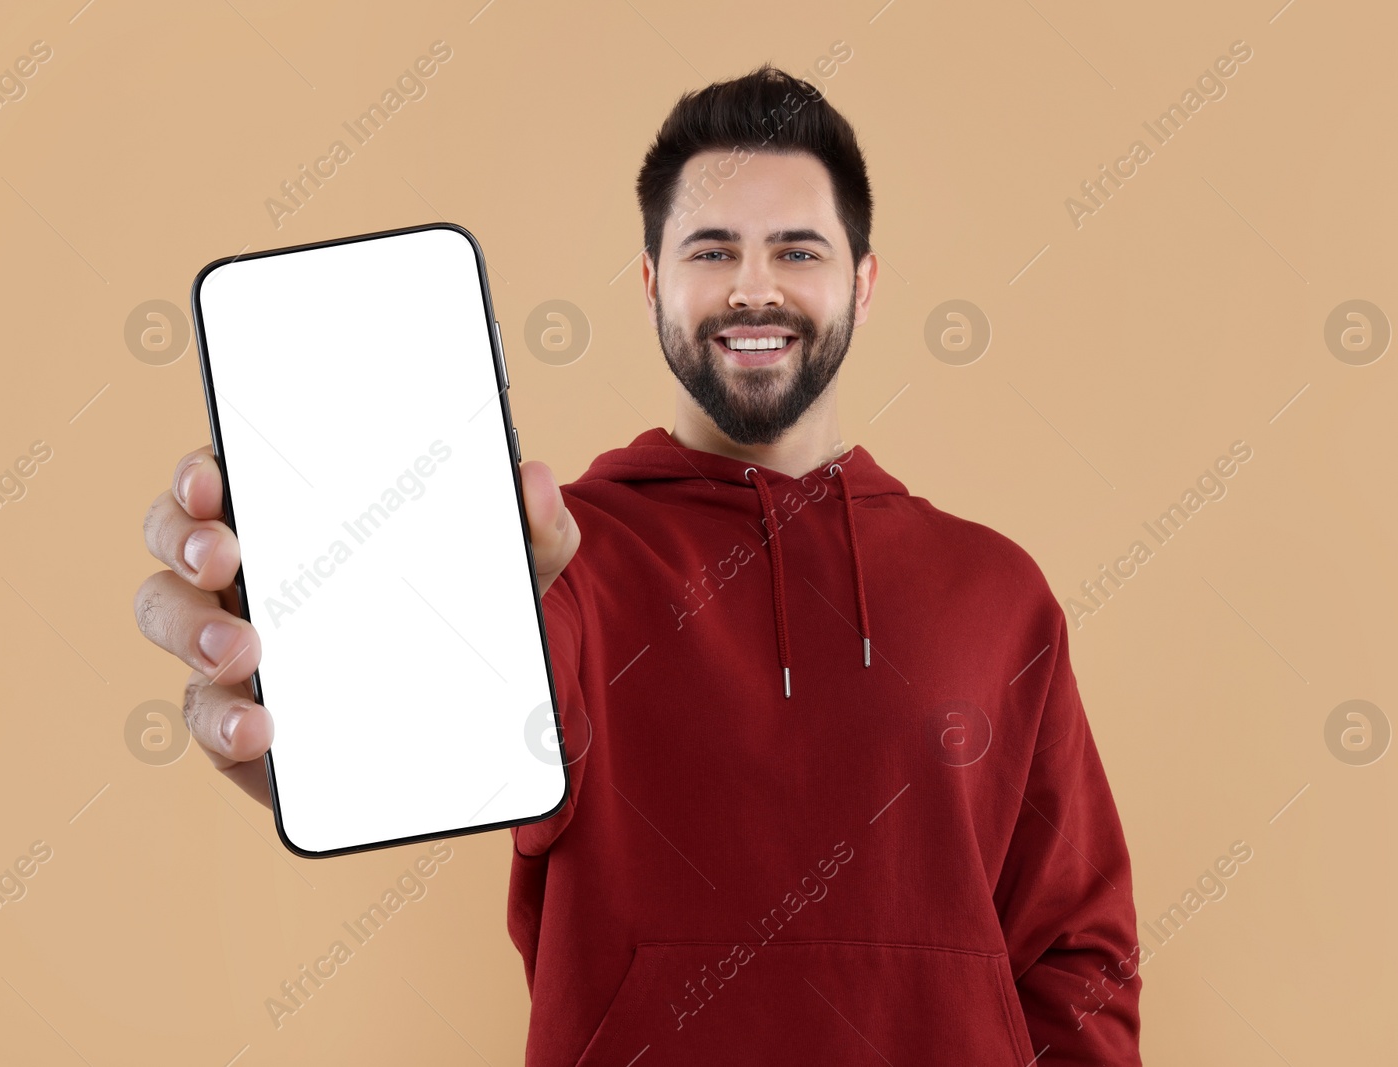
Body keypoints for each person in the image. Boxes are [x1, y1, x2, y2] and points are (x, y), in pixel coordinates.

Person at [136, 63, 1142, 1065]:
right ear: (653, 281)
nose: (754, 286)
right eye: (713, 250)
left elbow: (1075, 948)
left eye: (797, 248)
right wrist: (340, 714)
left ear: (862, 283)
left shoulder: (995, 588)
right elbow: (494, 718)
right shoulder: (549, 559)